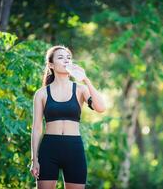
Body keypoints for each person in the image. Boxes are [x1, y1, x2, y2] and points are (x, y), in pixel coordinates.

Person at [29, 45, 106, 189]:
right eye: (61, 57)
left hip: (74, 148)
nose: (66, 60)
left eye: (68, 58)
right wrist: (35, 159)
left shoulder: (80, 89)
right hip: (49, 149)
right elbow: (37, 128)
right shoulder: (41, 94)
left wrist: (86, 80)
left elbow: (101, 108)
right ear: (51, 65)